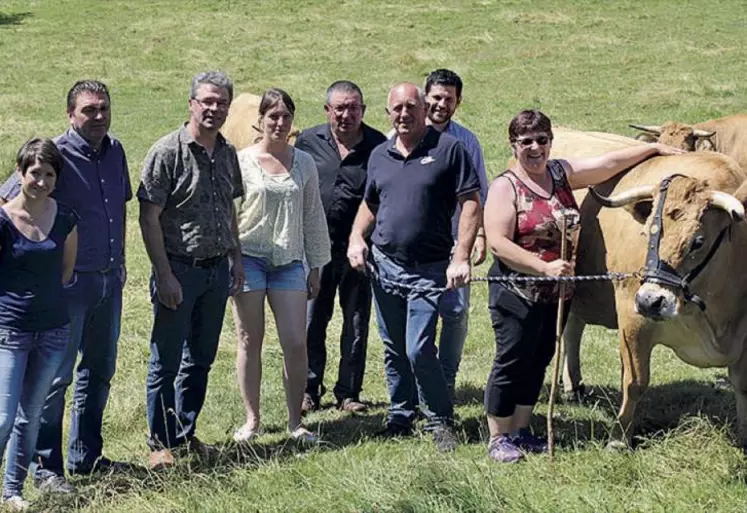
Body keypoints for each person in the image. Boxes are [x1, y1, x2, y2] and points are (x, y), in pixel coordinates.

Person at [483, 109, 683, 463]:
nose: (535, 148)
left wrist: (652, 151)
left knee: (540, 358)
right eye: (526, 141)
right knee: (512, 360)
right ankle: (499, 437)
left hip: (556, 293)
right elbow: (499, 243)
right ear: (513, 145)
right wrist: (542, 267)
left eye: (541, 140)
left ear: (550, 142)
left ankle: (523, 430)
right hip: (517, 292)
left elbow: (607, 163)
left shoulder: (559, 173)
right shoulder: (505, 187)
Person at [0, 80, 131, 492]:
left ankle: (86, 456)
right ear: (70, 114)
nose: (98, 116)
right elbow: (11, 198)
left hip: (110, 281)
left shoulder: (117, 151)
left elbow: (118, 211)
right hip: (68, 288)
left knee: (100, 370)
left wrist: (122, 265)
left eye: (103, 108)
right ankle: (47, 468)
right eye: (89, 110)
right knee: (56, 379)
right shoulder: (54, 155)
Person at [347, 83, 481, 452]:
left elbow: (470, 203)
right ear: (387, 113)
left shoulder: (449, 149)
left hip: (430, 267)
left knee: (418, 347)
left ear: (423, 109)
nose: (403, 114)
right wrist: (357, 237)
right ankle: (400, 416)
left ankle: (440, 420)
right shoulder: (380, 155)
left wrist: (461, 256)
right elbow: (370, 203)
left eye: (410, 107)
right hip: (385, 264)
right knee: (393, 346)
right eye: (396, 109)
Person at [138, 70, 245, 469]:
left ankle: (184, 433)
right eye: (207, 101)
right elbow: (149, 217)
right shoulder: (167, 151)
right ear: (192, 104)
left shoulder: (228, 152)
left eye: (221, 102)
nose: (214, 108)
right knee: (166, 360)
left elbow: (229, 209)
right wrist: (163, 274)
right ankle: (158, 443)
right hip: (179, 270)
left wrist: (235, 258)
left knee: (200, 357)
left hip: (217, 271)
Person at [231, 88, 330, 444]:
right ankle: (252, 419)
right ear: (260, 120)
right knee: (249, 340)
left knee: (295, 341)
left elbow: (313, 215)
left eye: (285, 116)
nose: (279, 122)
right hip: (249, 260)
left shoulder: (303, 162)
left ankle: (294, 422)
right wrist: (234, 261)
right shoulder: (241, 161)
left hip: (290, 261)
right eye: (272, 116)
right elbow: (231, 216)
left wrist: (315, 265)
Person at [295, 80, 385, 413]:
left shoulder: (378, 146)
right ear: (327, 111)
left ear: (363, 110)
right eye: (340, 108)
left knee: (357, 321)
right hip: (316, 250)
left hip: (360, 250)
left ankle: (349, 393)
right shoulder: (307, 142)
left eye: (353, 108)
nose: (346, 115)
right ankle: (307, 389)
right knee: (311, 321)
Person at [0, 139, 77, 510]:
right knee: (2, 416)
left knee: (30, 417)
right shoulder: (2, 220)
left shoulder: (65, 219)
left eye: (49, 174)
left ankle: (12, 491)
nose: (42, 181)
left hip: (53, 330)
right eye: (35, 173)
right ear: (20, 173)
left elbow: (64, 273)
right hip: (9, 331)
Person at [423, 69, 489, 397]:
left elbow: (479, 194)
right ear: (425, 97)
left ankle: (446, 379)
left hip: (454, 242)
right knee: (418, 316)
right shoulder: (402, 137)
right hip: (414, 246)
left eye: (449, 99)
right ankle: (419, 383)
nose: (441, 104)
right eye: (436, 97)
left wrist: (478, 236)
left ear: (458, 102)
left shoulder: (467, 141)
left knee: (456, 313)